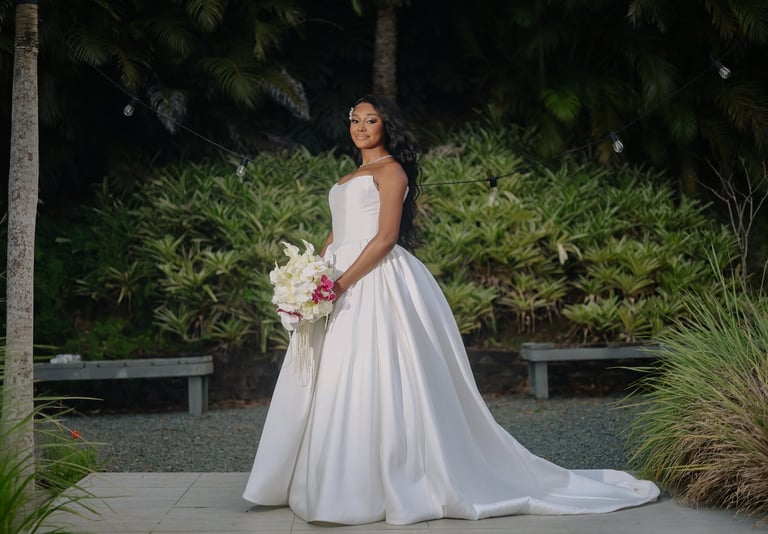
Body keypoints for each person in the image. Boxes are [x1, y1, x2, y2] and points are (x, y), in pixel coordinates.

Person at [243, 95, 659, 525]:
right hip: (335, 277)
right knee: (331, 373)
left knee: (370, 368)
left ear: (386, 127)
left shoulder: (391, 171)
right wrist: (311, 275)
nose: (361, 127)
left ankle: (375, 482)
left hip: (372, 278)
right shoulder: (349, 175)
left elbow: (385, 237)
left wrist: (341, 283)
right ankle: (329, 479)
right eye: (355, 120)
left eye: (371, 120)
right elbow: (337, 232)